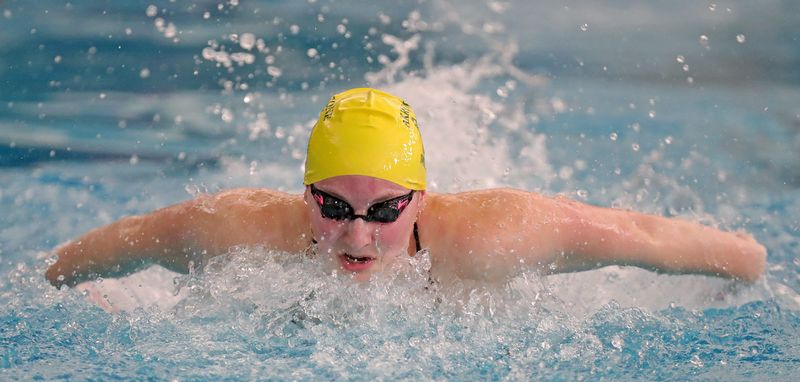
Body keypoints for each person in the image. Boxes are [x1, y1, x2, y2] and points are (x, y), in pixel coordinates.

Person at [45, 88, 767, 289]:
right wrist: (48, 278)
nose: (356, 235)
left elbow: (640, 239)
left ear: (421, 198)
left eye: (385, 210)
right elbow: (127, 239)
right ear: (304, 194)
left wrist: (748, 262)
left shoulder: (494, 234)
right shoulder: (242, 227)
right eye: (332, 207)